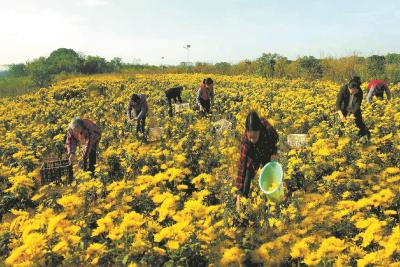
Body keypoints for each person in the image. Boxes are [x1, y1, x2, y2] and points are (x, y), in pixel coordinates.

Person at [235, 111, 279, 212]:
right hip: (253, 155)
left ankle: (270, 206)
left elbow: (275, 138)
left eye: (254, 137)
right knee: (246, 178)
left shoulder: (267, 129)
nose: (251, 139)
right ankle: (242, 210)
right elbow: (242, 165)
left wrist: (273, 153)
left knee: (269, 178)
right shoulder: (246, 143)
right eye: (250, 136)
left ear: (259, 131)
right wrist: (238, 191)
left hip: (266, 150)